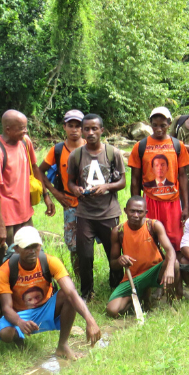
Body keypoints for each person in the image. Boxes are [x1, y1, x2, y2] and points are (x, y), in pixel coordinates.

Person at [0, 227, 101, 360]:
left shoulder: (50, 261)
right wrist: (20, 322)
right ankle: (18, 339)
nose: (33, 251)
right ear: (16, 249)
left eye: (36, 246)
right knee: (5, 333)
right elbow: (6, 308)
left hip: (46, 308)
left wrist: (90, 321)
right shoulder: (5, 270)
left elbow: (72, 293)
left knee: (67, 296)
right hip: (19, 313)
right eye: (28, 247)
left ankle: (63, 346)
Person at [0, 110, 58, 275]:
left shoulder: (25, 142)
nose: (25, 131)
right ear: (8, 129)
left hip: (24, 211)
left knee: (29, 251)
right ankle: (1, 293)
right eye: (21, 128)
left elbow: (35, 168)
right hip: (5, 215)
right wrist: (0, 225)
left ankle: (26, 288)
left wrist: (46, 196)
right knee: (5, 257)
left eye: (25, 127)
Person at [66, 114, 127, 300]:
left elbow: (122, 181)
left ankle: (116, 287)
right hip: (84, 213)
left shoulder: (113, 153)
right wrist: (75, 189)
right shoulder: (76, 155)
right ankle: (86, 292)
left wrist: (107, 187)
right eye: (87, 129)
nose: (90, 133)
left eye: (94, 129)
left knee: (114, 253)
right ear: (82, 131)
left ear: (102, 130)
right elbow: (69, 182)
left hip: (109, 213)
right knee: (85, 255)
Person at [128, 107, 189, 250]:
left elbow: (182, 176)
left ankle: (175, 270)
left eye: (162, 125)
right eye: (155, 125)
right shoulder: (140, 146)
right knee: (149, 240)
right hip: (150, 201)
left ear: (169, 124)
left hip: (173, 202)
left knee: (176, 241)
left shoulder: (177, 145)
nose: (158, 129)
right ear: (150, 124)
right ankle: (155, 270)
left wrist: (186, 206)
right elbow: (134, 179)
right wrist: (136, 207)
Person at [107, 197, 180, 318]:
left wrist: (170, 268)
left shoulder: (153, 225)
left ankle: (170, 302)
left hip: (154, 271)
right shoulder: (118, 231)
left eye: (140, 212)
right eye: (132, 211)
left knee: (174, 264)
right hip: (133, 277)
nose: (136, 215)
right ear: (125, 211)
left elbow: (170, 251)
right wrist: (120, 260)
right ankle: (140, 296)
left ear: (146, 213)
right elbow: (113, 264)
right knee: (113, 310)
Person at [39, 110, 85, 279]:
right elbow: (40, 170)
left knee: (89, 244)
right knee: (74, 246)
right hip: (70, 204)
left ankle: (90, 280)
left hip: (92, 205)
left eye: (78, 126)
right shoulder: (57, 150)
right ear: (64, 127)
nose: (74, 130)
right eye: (70, 126)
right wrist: (55, 194)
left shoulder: (90, 145)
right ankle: (80, 280)